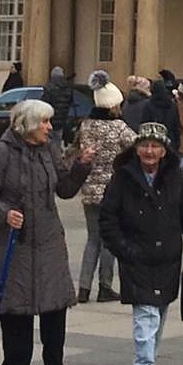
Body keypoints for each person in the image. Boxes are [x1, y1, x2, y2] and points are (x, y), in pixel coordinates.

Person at [0, 98, 94, 365]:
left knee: (55, 307)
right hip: (14, 242)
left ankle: (55, 364)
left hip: (48, 240)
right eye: (44, 122)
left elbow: (64, 189)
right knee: (16, 310)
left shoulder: (48, 149)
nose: (49, 127)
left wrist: (81, 166)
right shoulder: (2, 152)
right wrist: (5, 213)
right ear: (27, 124)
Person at [98, 120, 183, 365]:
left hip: (167, 256)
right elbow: (108, 219)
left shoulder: (174, 177)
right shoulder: (123, 178)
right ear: (136, 149)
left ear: (164, 151)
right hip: (137, 255)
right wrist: (123, 249)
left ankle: (149, 359)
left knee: (159, 310)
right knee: (145, 312)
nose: (149, 151)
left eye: (155, 146)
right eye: (144, 145)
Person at [74, 82, 136, 300]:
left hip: (89, 189)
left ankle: (83, 288)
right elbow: (137, 144)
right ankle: (105, 286)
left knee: (92, 239)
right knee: (109, 239)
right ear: (112, 106)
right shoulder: (118, 127)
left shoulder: (86, 125)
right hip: (112, 190)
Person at [148, 77, 181, 152]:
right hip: (170, 138)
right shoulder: (172, 105)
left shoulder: (149, 105)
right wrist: (177, 142)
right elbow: (176, 124)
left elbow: (145, 123)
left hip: (154, 139)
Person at [41, 65, 74, 139]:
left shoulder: (49, 87)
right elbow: (70, 102)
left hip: (50, 119)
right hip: (62, 120)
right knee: (57, 139)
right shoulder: (68, 87)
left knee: (48, 140)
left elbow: (44, 103)